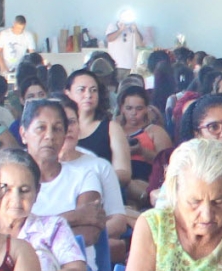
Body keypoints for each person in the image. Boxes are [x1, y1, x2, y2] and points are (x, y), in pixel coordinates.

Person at [20, 98, 111, 253]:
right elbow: (8, 230)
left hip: (76, 263)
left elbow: (88, 233)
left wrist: (30, 234)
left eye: (57, 129)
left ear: (64, 135)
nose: (49, 136)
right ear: (23, 134)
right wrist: (75, 216)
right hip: (23, 263)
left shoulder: (84, 176)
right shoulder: (11, 180)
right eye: (41, 128)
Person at [66, 69, 132, 197]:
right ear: (68, 93)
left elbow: (124, 173)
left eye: (93, 90)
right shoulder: (59, 128)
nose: (88, 95)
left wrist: (92, 181)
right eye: (81, 90)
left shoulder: (111, 128)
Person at [118, 85, 171, 204]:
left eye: (139, 109)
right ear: (122, 109)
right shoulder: (114, 129)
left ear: (146, 109)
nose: (133, 113)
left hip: (146, 180)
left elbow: (166, 162)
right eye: (129, 108)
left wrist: (141, 151)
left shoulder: (155, 131)